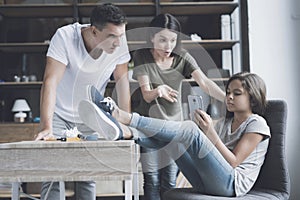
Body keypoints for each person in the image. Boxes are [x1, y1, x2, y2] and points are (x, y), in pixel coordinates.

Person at [78, 72, 270, 197]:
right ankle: (126, 132)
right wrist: (202, 132)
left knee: (190, 130)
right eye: (228, 92)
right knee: (174, 139)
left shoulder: (257, 123)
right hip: (206, 181)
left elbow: (233, 162)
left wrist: (208, 133)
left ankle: (123, 117)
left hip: (231, 185)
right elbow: (209, 153)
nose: (228, 97)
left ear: (252, 98)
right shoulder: (226, 122)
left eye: (237, 93)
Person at [34, 3, 131, 200]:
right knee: (53, 177)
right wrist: (47, 126)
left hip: (90, 116)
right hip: (59, 115)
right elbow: (50, 81)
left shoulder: (119, 41)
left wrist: (125, 122)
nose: (118, 43)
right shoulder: (65, 37)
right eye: (112, 36)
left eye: (121, 36)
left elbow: (122, 81)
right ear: (94, 31)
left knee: (87, 177)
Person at [131, 13, 225, 199]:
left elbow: (204, 83)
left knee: (169, 182)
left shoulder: (183, 57)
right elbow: (147, 96)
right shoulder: (141, 55)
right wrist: (160, 90)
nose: (168, 46)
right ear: (152, 37)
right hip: (148, 128)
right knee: (152, 180)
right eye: (163, 40)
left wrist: (227, 100)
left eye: (173, 40)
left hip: (174, 128)